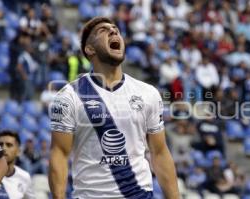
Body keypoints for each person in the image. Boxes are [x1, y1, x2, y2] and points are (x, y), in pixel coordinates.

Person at [48, 17, 179, 199]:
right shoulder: (69, 96)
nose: (113, 31)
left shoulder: (148, 93)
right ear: (90, 49)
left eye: (116, 29)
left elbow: (160, 152)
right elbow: (59, 155)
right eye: (103, 31)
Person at [0, 131, 35, 198]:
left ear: (18, 151)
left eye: (9, 145)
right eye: (0, 145)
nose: (3, 148)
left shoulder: (25, 177)